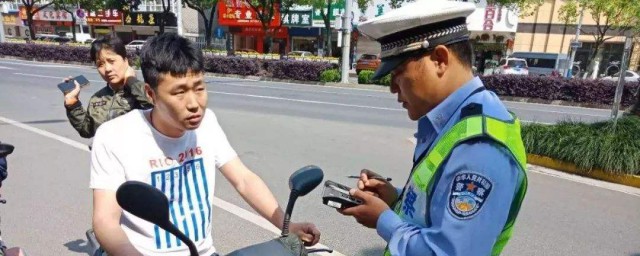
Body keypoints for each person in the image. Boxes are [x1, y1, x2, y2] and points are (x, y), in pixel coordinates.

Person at [89, 33, 321, 256]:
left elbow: (243, 179)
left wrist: (286, 224)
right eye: (179, 93)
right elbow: (105, 221)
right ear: (151, 94)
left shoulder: (206, 123)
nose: (194, 104)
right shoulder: (114, 136)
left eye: (199, 88)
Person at [338, 1, 529, 255]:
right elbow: (436, 208)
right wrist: (394, 197)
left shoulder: (480, 149)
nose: (393, 88)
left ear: (439, 60)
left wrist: (384, 220)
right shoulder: (456, 118)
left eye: (398, 73)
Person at [62, 35, 152, 139]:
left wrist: (131, 81)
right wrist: (73, 104)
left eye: (112, 61)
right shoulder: (97, 98)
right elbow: (86, 130)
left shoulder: (143, 91)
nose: (107, 69)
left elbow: (155, 105)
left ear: (125, 61)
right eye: (100, 64)